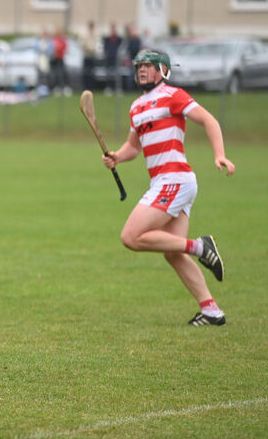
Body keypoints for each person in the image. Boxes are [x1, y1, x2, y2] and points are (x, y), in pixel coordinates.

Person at [101, 50, 235, 326]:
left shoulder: (173, 95)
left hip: (175, 179)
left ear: (163, 70)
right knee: (172, 253)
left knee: (131, 236)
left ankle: (200, 247)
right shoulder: (136, 107)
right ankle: (212, 311)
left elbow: (208, 120)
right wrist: (116, 156)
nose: (142, 70)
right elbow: (133, 148)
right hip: (167, 182)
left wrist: (219, 154)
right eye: (139, 66)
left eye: (149, 66)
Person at [102, 23, 122, 95]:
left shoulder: (119, 39)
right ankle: (108, 87)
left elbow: (120, 48)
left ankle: (117, 88)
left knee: (116, 74)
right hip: (109, 58)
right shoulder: (107, 39)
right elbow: (105, 48)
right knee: (108, 74)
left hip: (116, 58)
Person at [80, 20, 99, 91]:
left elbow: (95, 45)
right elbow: (83, 45)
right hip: (86, 56)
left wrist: (91, 48)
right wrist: (88, 48)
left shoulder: (95, 35)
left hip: (92, 56)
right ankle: (85, 87)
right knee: (86, 72)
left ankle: (91, 87)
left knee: (92, 72)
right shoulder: (85, 35)